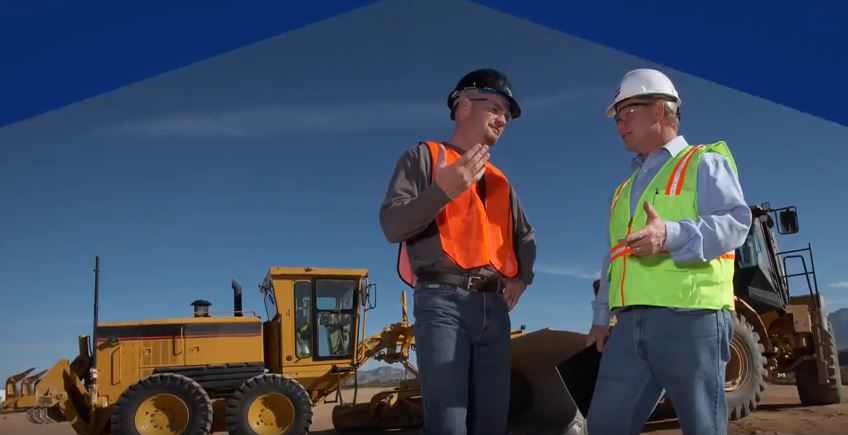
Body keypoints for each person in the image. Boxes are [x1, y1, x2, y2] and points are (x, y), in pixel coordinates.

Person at [585, 69, 752, 435]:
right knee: (603, 425)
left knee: (701, 426)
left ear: (659, 111)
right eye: (617, 117)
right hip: (628, 326)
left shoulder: (703, 162)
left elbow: (737, 222)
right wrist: (601, 315)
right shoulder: (622, 190)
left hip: (692, 320)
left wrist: (670, 234)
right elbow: (614, 255)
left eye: (626, 113)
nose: (619, 125)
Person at [379, 68, 536, 434]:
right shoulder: (423, 157)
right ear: (463, 105)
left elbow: (525, 236)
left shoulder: (500, 181)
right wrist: (442, 192)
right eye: (496, 107)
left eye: (507, 115)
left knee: (492, 423)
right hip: (442, 303)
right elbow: (391, 225)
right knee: (449, 424)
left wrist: (521, 278)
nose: (503, 120)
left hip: (494, 309)